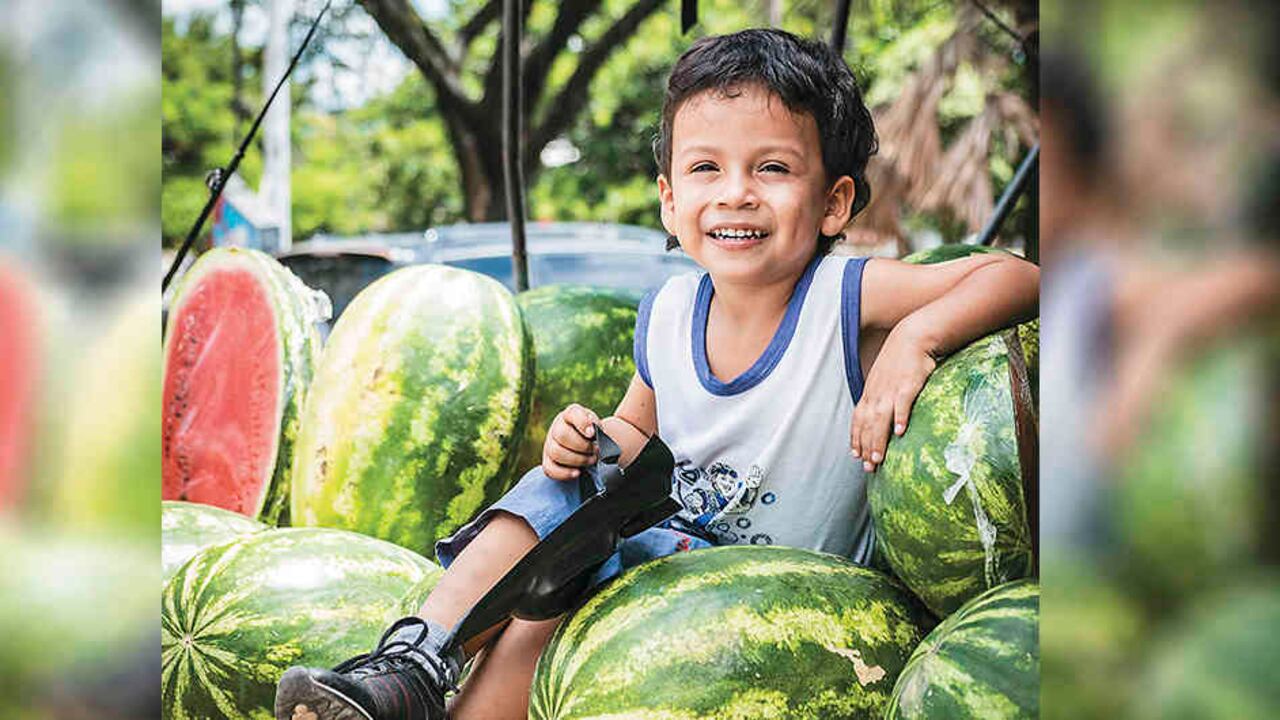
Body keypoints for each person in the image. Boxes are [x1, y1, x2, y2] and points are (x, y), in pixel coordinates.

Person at [274, 28, 1039, 720]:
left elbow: (1018, 274)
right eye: (706, 168)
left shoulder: (846, 294)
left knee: (572, 584)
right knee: (555, 561)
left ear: (834, 202)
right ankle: (412, 666)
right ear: (672, 203)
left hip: (777, 597)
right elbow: (636, 437)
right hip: (666, 561)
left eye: (772, 167)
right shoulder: (670, 312)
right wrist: (585, 441)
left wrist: (918, 339)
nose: (736, 191)